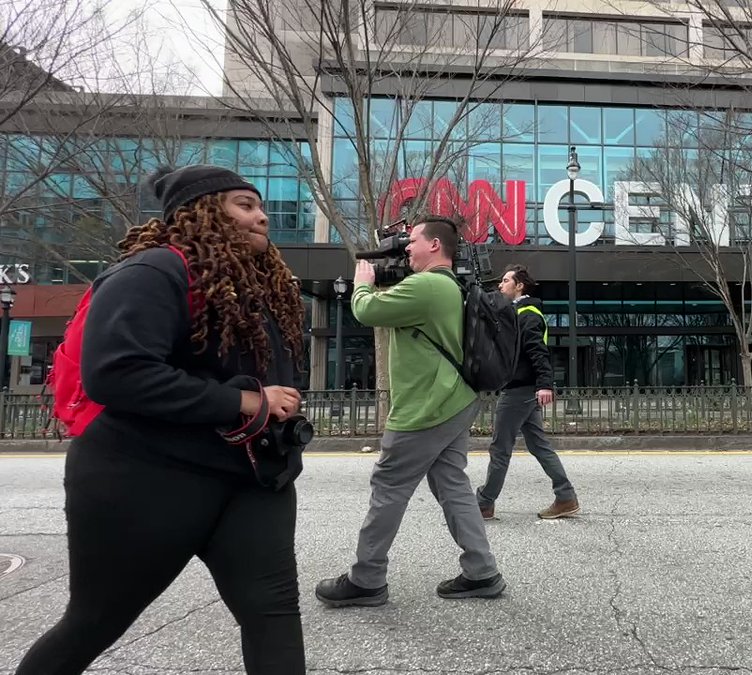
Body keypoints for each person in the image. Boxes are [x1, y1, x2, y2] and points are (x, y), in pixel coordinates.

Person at [16, 165, 309, 675]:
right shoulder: (152, 272)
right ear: (201, 212)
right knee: (95, 621)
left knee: (273, 613)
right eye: (245, 204)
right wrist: (238, 402)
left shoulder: (258, 289)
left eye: (260, 206)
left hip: (249, 480)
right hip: (142, 478)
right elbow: (116, 373)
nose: (262, 216)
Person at [315, 215, 505, 607]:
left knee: (389, 485)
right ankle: (481, 571)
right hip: (454, 399)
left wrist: (362, 284)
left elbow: (367, 311)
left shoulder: (428, 285)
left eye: (413, 240)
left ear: (435, 246)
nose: (407, 247)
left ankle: (366, 579)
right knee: (451, 483)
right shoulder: (448, 285)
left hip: (427, 406)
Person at [477, 264, 580, 520]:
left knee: (500, 448)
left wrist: (546, 384)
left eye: (505, 281)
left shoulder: (528, 315)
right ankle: (565, 497)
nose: (500, 285)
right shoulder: (517, 313)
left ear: (519, 285)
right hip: (524, 390)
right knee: (539, 446)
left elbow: (538, 352)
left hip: (518, 392)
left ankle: (484, 503)